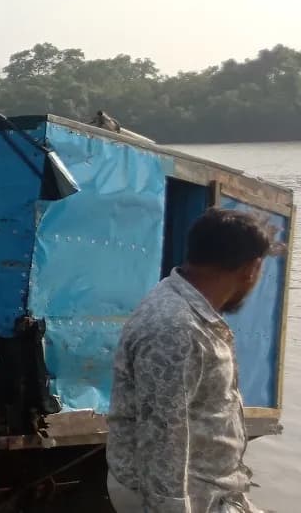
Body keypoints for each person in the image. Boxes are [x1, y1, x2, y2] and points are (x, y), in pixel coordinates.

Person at [108, 209, 273, 513]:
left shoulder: (190, 310)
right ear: (252, 269)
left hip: (209, 491)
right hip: (182, 497)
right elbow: (163, 437)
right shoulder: (177, 328)